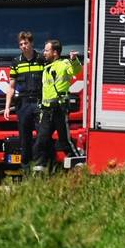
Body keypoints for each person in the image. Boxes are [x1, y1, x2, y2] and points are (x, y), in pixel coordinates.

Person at [1, 31, 46, 174]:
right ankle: (26, 169)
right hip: (23, 104)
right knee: (24, 138)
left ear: (32, 43)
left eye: (26, 43)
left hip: (39, 102)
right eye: (21, 44)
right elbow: (11, 87)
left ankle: (41, 167)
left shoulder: (41, 60)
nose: (23, 46)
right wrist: (7, 107)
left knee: (41, 136)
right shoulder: (16, 62)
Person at [37, 39, 83, 172]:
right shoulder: (46, 68)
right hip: (47, 110)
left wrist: (74, 60)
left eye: (47, 50)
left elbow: (76, 71)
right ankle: (41, 166)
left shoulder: (64, 64)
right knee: (42, 138)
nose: (44, 53)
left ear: (55, 52)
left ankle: (78, 162)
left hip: (59, 108)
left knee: (64, 140)